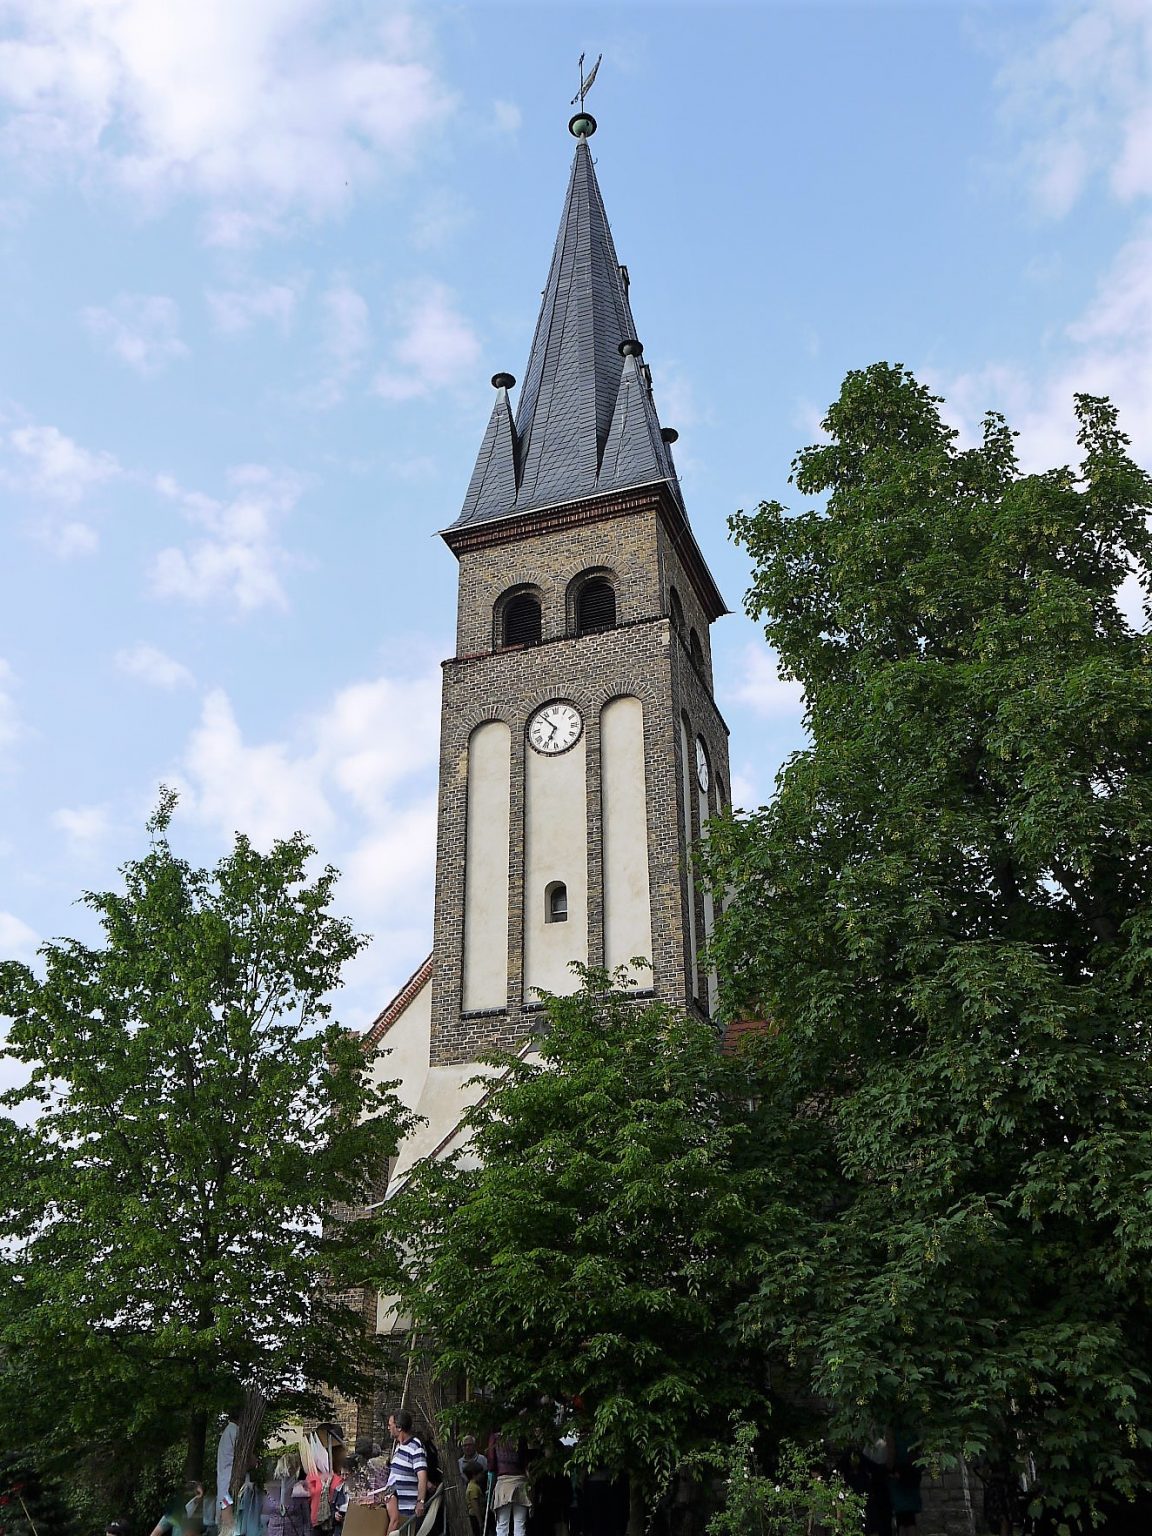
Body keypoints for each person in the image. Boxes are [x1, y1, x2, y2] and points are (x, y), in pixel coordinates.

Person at [385, 1408, 428, 1535]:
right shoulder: (399, 1447)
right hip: (398, 1508)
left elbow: (422, 1476)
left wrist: (420, 1502)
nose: (388, 1428)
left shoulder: (415, 1447)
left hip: (409, 1511)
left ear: (399, 1427)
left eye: (390, 1425)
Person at [486, 1429, 530, 1536]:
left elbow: (491, 1464)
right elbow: (525, 1460)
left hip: (504, 1483)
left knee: (502, 1525)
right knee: (520, 1524)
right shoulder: (520, 1436)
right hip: (520, 1482)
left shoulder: (495, 1437)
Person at [261, 1454, 311, 1536]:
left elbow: (306, 1519)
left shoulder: (299, 1487)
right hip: (280, 1531)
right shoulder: (272, 1487)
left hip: (283, 1531)